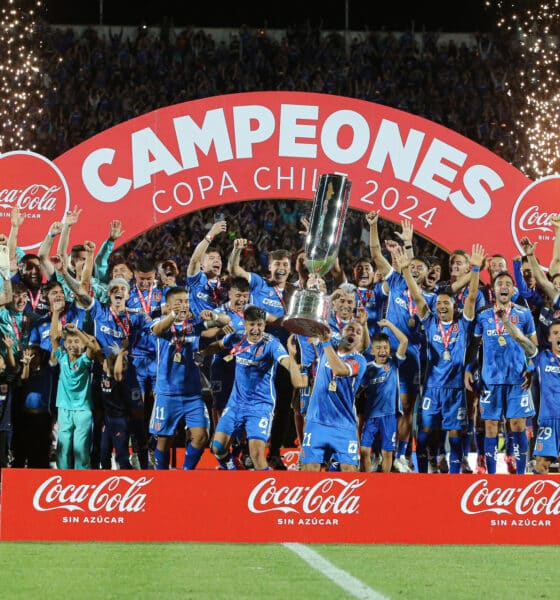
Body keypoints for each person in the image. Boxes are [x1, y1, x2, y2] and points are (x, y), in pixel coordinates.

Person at [397, 244, 485, 473]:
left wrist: (475, 269)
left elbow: (473, 296)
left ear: (455, 306)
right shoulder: (430, 322)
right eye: (439, 303)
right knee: (425, 434)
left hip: (455, 390)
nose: (442, 305)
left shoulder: (463, 324)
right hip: (433, 388)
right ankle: (423, 475)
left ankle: (454, 477)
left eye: (446, 302)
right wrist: (406, 270)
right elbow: (416, 295)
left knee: (456, 436)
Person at [204, 305, 300, 470]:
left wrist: (295, 369)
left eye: (260, 325)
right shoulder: (237, 337)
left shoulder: (271, 344)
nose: (256, 329)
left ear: (264, 325)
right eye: (252, 325)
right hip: (236, 403)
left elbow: (285, 360)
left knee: (256, 455)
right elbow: (219, 345)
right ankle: (234, 470)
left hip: (260, 406)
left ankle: (266, 490)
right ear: (245, 324)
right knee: (218, 448)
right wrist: (201, 353)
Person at [465, 270, 538, 475]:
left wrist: (530, 369)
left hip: (517, 379)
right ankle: (491, 475)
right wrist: (469, 369)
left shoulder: (524, 314)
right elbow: (474, 345)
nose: (504, 287)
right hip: (491, 381)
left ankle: (520, 474)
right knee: (490, 427)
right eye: (500, 284)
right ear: (493, 290)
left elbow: (533, 347)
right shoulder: (483, 315)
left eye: (508, 284)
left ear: (513, 289)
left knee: (517, 425)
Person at [149, 287, 212, 470]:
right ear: (167, 306)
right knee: (164, 440)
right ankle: (161, 477)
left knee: (201, 436)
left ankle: (185, 474)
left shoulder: (194, 325)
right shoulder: (159, 322)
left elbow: (222, 320)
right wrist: (173, 315)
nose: (184, 305)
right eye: (179, 302)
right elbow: (157, 331)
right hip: (167, 393)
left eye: (186, 301)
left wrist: (212, 315)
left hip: (193, 394)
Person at [299, 319, 367, 471]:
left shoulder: (359, 360)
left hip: (343, 424)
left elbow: (340, 370)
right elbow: (310, 328)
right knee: (309, 469)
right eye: (350, 329)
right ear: (342, 331)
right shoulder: (329, 344)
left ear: (360, 341)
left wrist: (325, 342)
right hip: (316, 422)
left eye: (358, 332)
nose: (353, 333)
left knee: (349, 471)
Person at [50, 312, 99, 470]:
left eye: (77, 342)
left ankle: (81, 476)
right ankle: (63, 475)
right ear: (65, 344)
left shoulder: (85, 360)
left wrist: (78, 331)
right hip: (64, 408)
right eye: (69, 341)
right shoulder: (62, 358)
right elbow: (53, 338)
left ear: (82, 345)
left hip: (83, 409)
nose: (73, 344)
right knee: (63, 446)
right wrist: (56, 313)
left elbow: (92, 346)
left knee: (80, 447)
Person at [360, 319, 408, 473]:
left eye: (385, 347)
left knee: (388, 451)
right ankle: (365, 480)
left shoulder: (394, 363)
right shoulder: (367, 368)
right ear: (372, 351)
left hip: (389, 415)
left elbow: (404, 341)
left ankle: (385, 482)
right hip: (371, 415)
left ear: (389, 350)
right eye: (378, 348)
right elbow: (360, 388)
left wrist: (389, 325)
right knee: (365, 450)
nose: (382, 350)